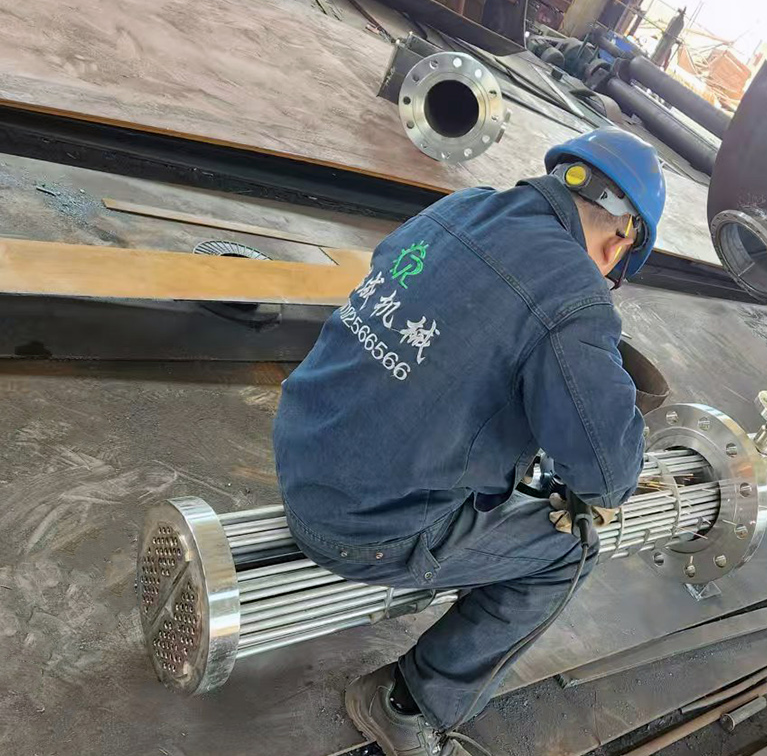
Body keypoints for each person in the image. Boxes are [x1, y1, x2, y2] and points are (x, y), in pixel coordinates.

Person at [272, 128, 667, 756]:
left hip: (299, 448)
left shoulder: (462, 206)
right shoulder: (575, 296)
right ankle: (406, 704)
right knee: (569, 552)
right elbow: (608, 474)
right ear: (621, 240)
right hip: (363, 526)